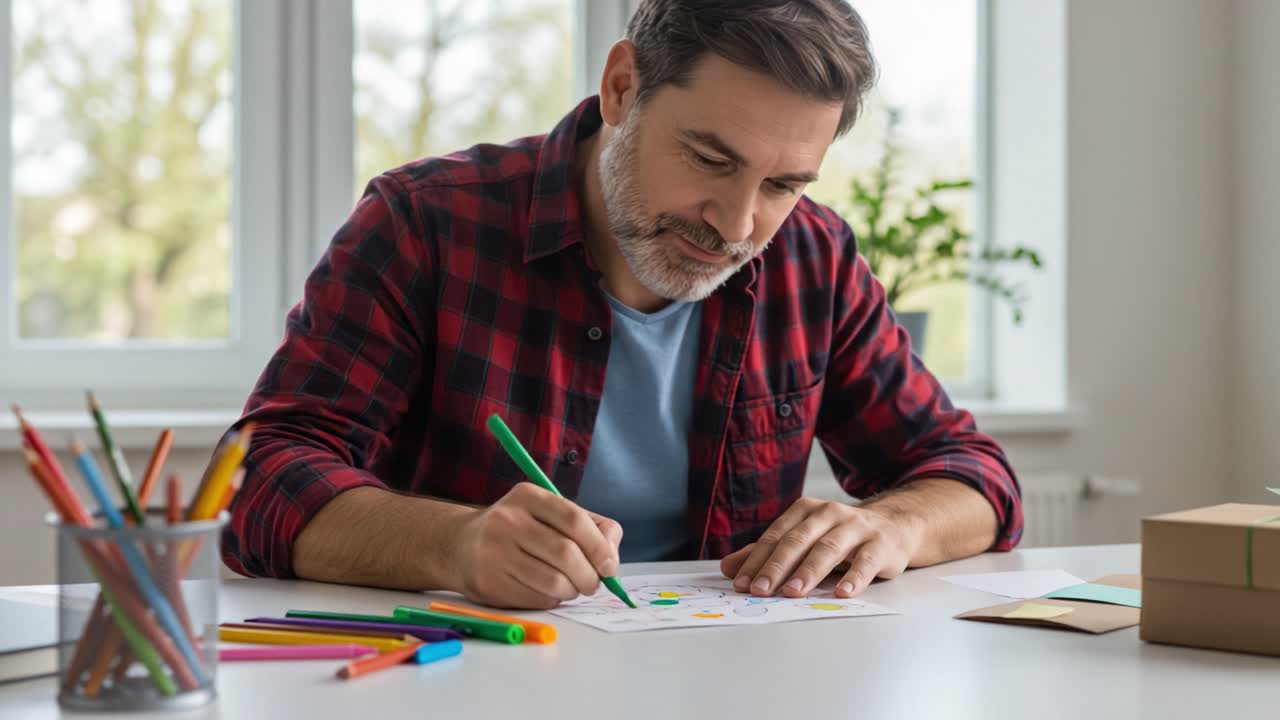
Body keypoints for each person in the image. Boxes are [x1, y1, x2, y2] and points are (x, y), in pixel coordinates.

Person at [220, 0, 1022, 610]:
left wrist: (898, 526)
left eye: (783, 185)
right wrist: (455, 545)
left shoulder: (812, 257)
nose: (738, 225)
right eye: (710, 158)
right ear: (621, 88)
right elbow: (258, 480)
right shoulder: (425, 222)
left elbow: (974, 477)